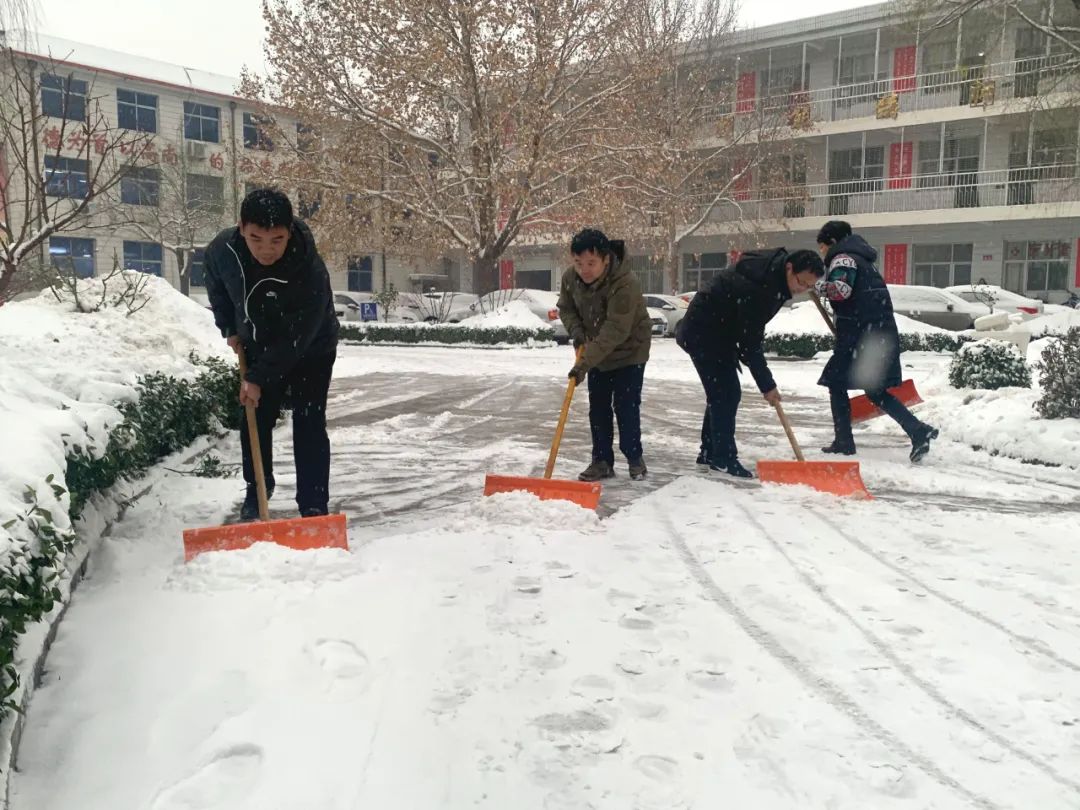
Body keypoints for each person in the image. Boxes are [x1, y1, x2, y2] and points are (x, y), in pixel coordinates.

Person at [203, 187, 340, 520]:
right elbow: (217, 286)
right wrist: (229, 329)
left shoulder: (308, 267)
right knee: (254, 416)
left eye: (276, 240)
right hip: (257, 340)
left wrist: (257, 377)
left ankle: (313, 503)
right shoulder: (224, 250)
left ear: (289, 231)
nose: (266, 250)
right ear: (241, 228)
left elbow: (297, 336)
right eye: (256, 239)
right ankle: (257, 492)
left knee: (308, 419)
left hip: (311, 348)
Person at [676, 247, 825, 478]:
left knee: (721, 392)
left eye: (809, 286)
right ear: (789, 268)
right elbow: (750, 344)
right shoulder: (760, 287)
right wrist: (767, 385)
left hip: (719, 331)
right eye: (801, 282)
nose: (802, 289)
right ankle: (723, 459)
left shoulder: (773, 276)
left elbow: (748, 336)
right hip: (704, 331)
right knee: (726, 392)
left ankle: (709, 452)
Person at [814, 220, 938, 462]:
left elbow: (841, 290)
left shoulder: (843, 258)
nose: (822, 253)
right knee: (876, 391)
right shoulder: (863, 260)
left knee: (836, 383)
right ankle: (918, 430)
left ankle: (844, 442)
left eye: (821, 247)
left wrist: (816, 286)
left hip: (858, 334)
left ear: (831, 242)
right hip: (875, 332)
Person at [558, 228, 653, 482]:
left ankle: (634, 457)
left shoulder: (625, 284)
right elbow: (565, 308)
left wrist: (584, 364)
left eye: (591, 263)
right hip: (596, 349)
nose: (584, 270)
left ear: (606, 259)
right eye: (578, 263)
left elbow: (615, 330)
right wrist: (578, 333)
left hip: (629, 351)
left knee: (626, 405)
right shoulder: (570, 279)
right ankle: (601, 461)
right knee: (598, 406)